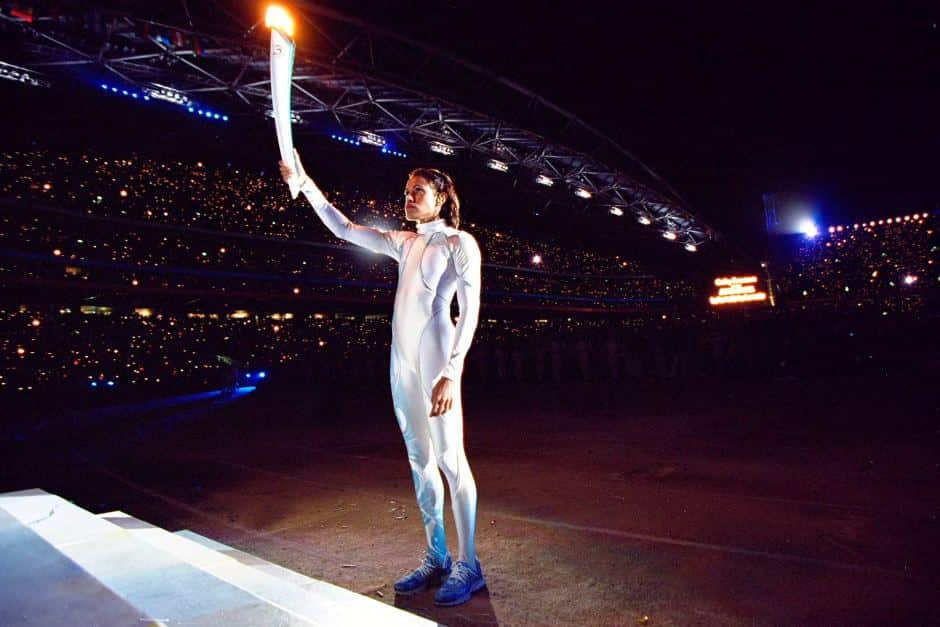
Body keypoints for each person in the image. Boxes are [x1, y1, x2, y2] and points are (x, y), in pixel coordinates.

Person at [279, 151, 486, 606]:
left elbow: (468, 313)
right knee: (419, 461)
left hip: (436, 361)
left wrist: (451, 373)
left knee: (451, 460)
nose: (409, 198)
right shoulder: (405, 243)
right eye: (407, 191)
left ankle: (470, 563)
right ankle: (437, 556)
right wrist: (306, 182)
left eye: (418, 191)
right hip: (401, 362)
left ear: (440, 197)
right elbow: (346, 229)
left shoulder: (459, 243)